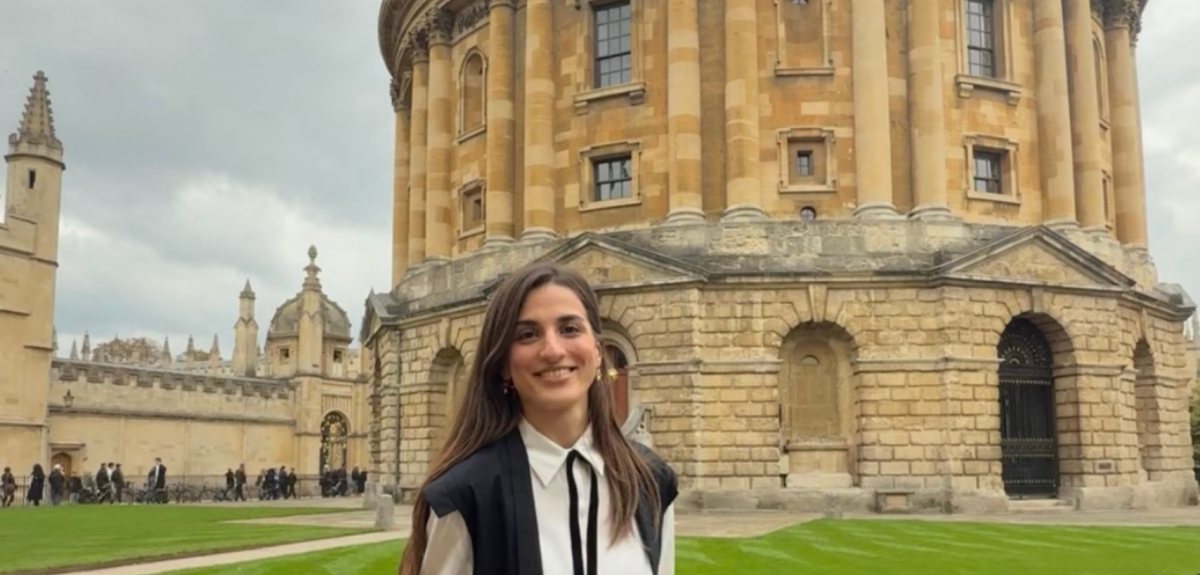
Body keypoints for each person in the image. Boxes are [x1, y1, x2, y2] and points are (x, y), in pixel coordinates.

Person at [399, 262, 677, 575]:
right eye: (528, 334)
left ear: (598, 351)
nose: (553, 350)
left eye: (569, 329)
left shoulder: (651, 480)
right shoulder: (466, 497)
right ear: (504, 363)